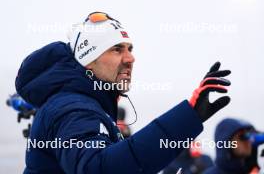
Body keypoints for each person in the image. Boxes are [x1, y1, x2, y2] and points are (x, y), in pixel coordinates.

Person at [15, 12, 231, 174]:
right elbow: (97, 168)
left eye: (130, 49)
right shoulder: (73, 108)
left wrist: (189, 117)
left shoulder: (82, 104)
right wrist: (187, 117)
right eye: (117, 49)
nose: (130, 58)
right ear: (88, 60)